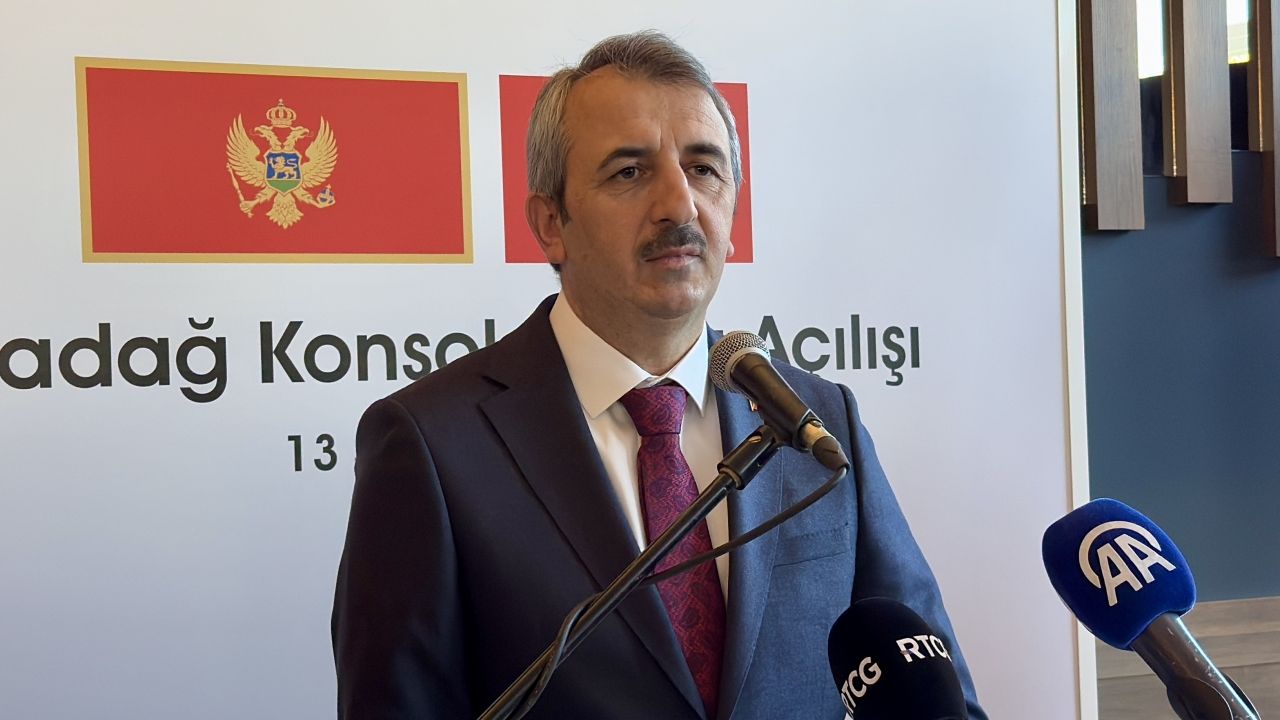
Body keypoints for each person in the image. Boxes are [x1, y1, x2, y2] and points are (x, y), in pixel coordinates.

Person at [332, 30, 987, 720]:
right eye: (629, 172)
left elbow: (935, 690)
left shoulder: (817, 421)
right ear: (550, 223)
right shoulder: (433, 442)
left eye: (704, 168)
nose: (680, 205)